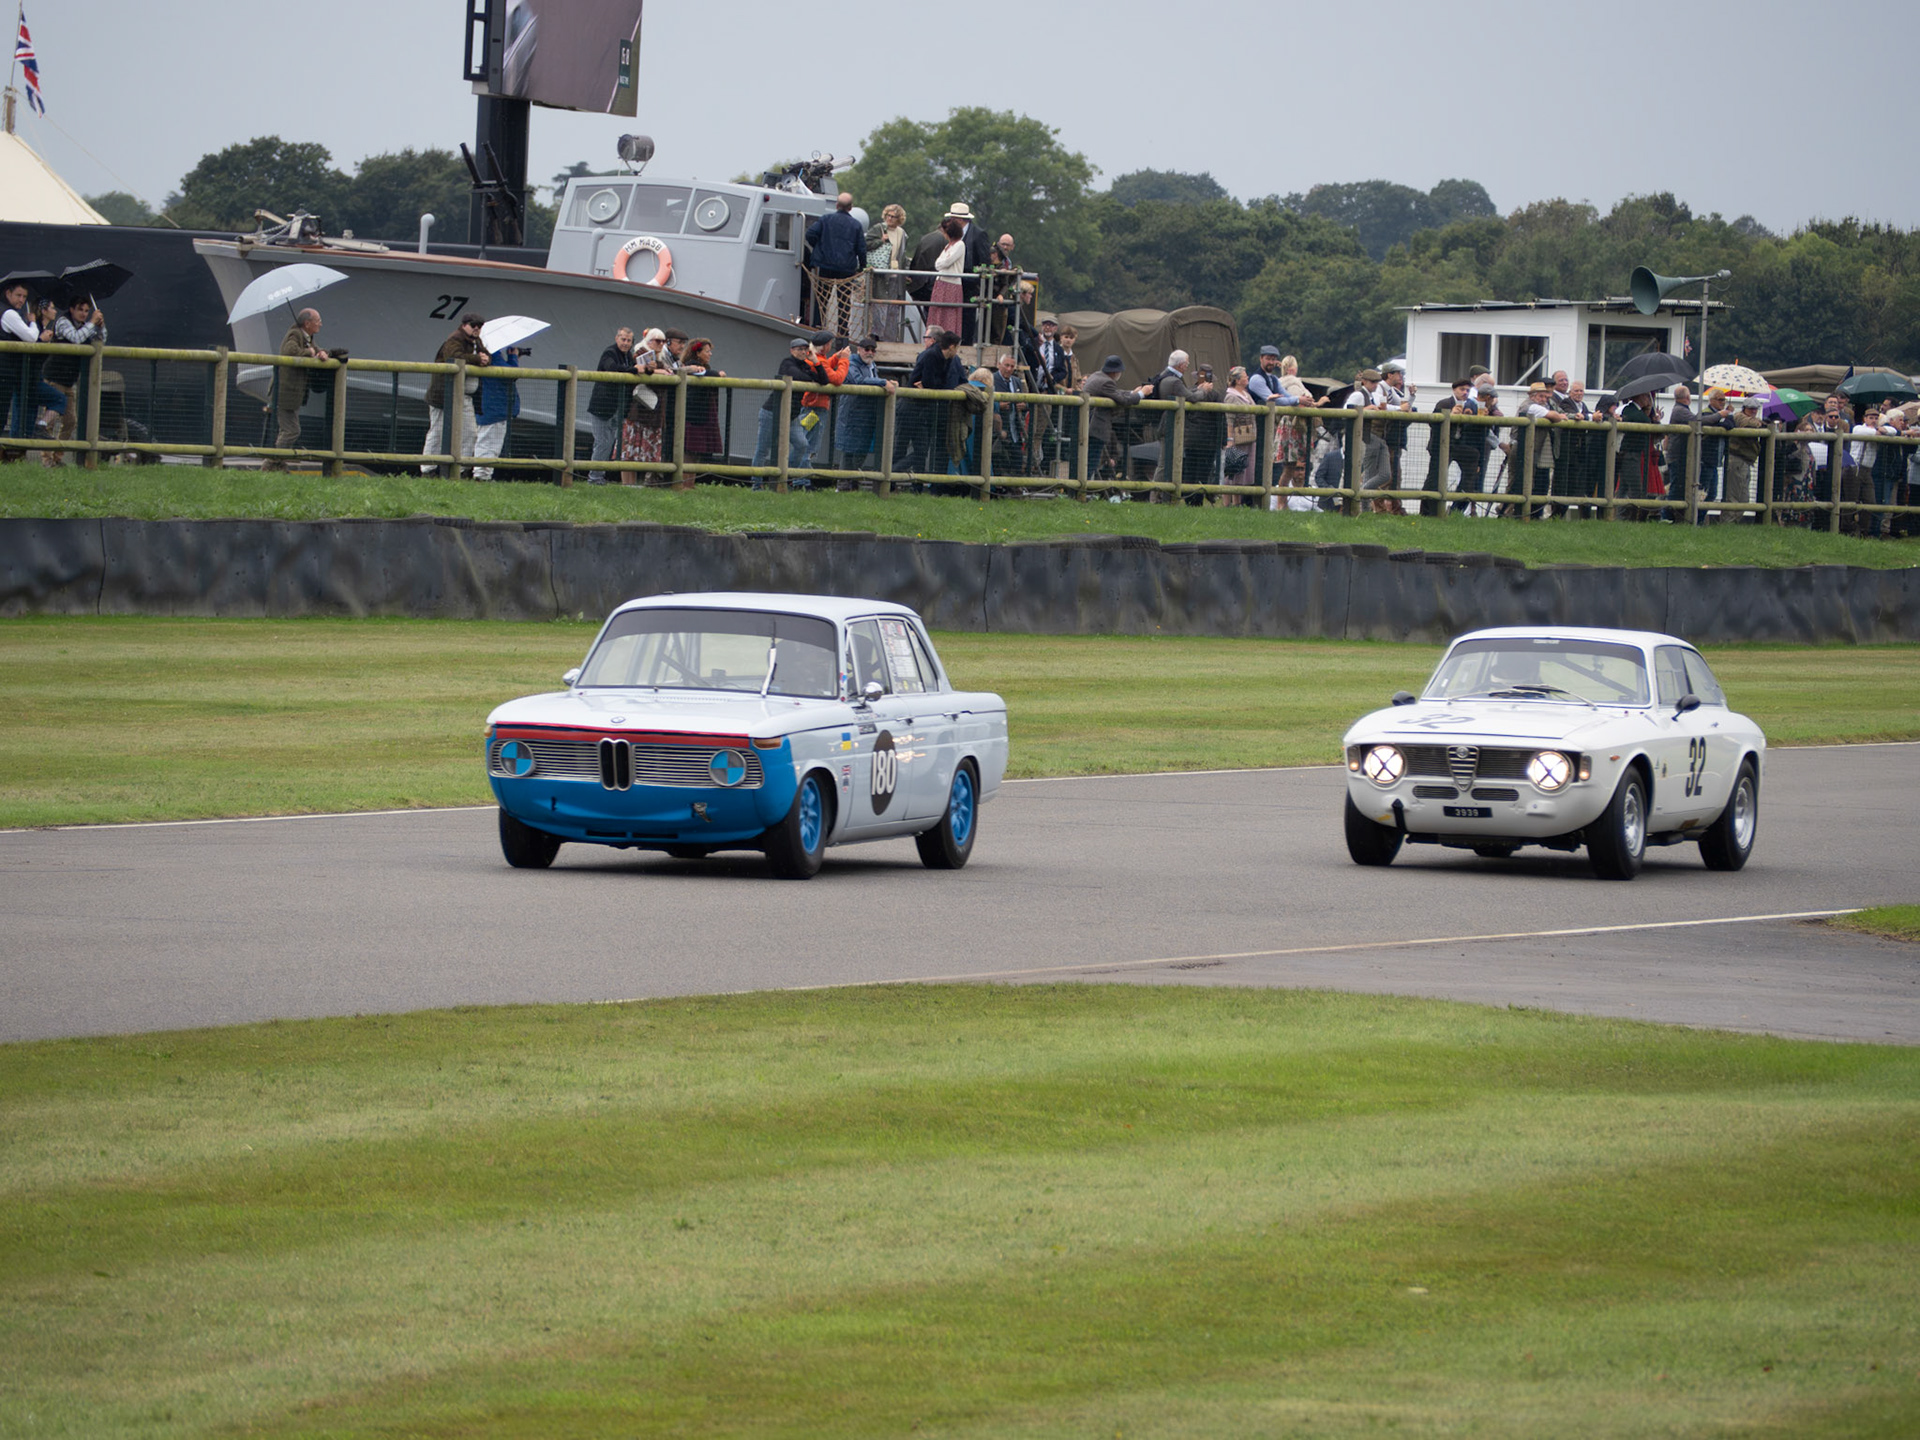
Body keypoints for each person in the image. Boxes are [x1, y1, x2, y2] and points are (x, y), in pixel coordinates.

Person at [421, 313, 489, 477]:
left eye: (480, 325)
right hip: (443, 394)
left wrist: (486, 358)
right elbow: (453, 357)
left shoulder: (476, 341)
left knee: (470, 432)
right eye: (474, 325)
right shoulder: (455, 338)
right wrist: (478, 359)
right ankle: (428, 469)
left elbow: (485, 355)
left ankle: (462, 468)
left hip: (463, 395)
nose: (477, 328)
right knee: (437, 431)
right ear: (464, 324)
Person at [266, 307, 329, 472]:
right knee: (292, 431)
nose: (320, 324)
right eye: (318, 321)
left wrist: (322, 353)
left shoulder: (308, 337)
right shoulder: (296, 334)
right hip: (285, 392)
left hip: (291, 393)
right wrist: (309, 352)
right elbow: (289, 351)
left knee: (287, 430)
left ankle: (278, 465)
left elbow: (317, 348)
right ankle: (271, 464)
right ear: (307, 323)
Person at [48, 295, 107, 453]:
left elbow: (101, 340)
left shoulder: (85, 325)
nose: (84, 314)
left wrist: (100, 326)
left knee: (70, 422)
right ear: (71, 309)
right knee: (50, 421)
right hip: (55, 378)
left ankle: (57, 457)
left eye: (87, 311)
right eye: (80, 310)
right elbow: (75, 338)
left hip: (69, 381)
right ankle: (46, 458)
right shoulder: (62, 321)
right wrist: (92, 323)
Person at [834, 333, 895, 484]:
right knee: (849, 451)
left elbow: (872, 381)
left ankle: (853, 484)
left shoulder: (872, 366)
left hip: (867, 416)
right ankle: (842, 485)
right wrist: (883, 382)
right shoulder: (850, 363)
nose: (870, 352)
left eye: (873, 350)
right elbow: (858, 381)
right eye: (867, 349)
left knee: (861, 451)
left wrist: (886, 382)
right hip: (852, 415)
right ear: (859, 350)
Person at [804, 192, 866, 335]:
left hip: (825, 265)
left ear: (837, 205)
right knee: (844, 302)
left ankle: (817, 327)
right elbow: (861, 249)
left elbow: (810, 235)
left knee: (822, 299)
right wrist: (862, 267)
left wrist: (819, 249)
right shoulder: (856, 225)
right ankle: (842, 332)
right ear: (851, 207)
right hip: (846, 269)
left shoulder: (825, 219)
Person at [585, 326, 635, 484]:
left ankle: (599, 476)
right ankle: (594, 478)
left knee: (608, 442)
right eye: (623, 339)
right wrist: (633, 370)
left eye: (629, 340)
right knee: (602, 442)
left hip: (617, 408)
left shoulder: (628, 356)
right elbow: (611, 368)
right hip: (602, 407)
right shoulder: (610, 352)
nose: (626, 343)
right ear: (616, 338)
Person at [944, 202, 993, 343]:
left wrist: (978, 285)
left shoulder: (979, 235)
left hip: (969, 287)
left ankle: (965, 348)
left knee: (967, 321)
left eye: (952, 219)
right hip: (954, 284)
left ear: (959, 220)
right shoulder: (953, 235)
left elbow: (985, 261)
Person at [678, 337, 726, 481]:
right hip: (694, 415)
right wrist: (718, 374)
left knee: (696, 452)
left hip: (703, 413)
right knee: (690, 451)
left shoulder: (705, 368)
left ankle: (690, 482)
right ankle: (685, 482)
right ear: (697, 353)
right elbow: (704, 375)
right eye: (707, 351)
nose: (710, 354)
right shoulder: (692, 366)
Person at [472, 344, 521, 481]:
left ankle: (482, 474)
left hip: (490, 406)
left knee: (486, 441)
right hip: (495, 407)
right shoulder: (493, 356)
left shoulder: (488, 356)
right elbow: (510, 374)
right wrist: (513, 357)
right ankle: (482, 476)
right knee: (490, 443)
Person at [0, 279, 37, 453]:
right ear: (8, 293)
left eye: (24, 296)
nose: (21, 300)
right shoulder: (9, 314)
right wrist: (33, 322)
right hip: (4, 372)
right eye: (18, 295)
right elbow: (31, 337)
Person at [1222, 366, 1257, 505]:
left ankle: (1237, 502)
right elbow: (1229, 419)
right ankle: (1227, 503)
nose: (1247, 377)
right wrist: (1230, 440)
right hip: (1237, 438)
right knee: (1233, 470)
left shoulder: (1246, 394)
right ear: (1237, 380)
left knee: (1242, 471)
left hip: (1249, 437)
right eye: (1245, 376)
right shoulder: (1231, 396)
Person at [928, 217, 967, 340]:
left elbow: (944, 263)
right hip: (941, 283)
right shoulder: (948, 246)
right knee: (937, 312)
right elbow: (938, 263)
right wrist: (941, 263)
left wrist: (941, 263)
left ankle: (948, 339)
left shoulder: (960, 245)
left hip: (951, 285)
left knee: (948, 314)